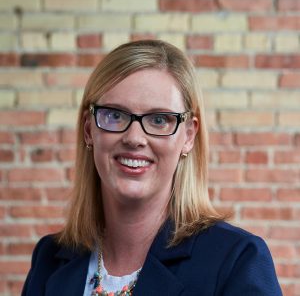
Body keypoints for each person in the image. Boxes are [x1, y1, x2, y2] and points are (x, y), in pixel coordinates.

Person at [22, 40, 282, 296]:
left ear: (189, 136)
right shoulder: (49, 259)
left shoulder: (236, 260)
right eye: (115, 115)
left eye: (159, 120)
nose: (134, 138)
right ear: (89, 129)